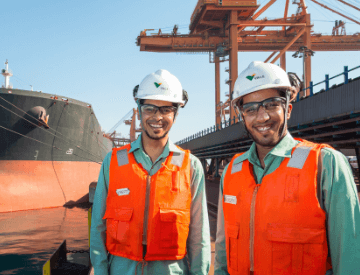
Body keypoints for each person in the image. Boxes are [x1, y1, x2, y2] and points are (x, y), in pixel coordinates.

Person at [214, 61, 360, 275]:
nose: (262, 117)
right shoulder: (231, 171)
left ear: (288, 109)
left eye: (271, 104)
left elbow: (349, 259)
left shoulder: (325, 164)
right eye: (251, 109)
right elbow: (222, 253)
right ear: (242, 116)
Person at [90, 69, 211, 275]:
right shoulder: (112, 162)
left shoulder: (191, 166)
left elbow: (199, 237)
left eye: (166, 110)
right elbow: (98, 226)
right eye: (150, 109)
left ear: (176, 113)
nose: (157, 117)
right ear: (139, 109)